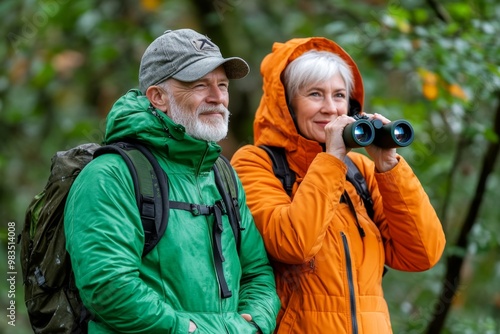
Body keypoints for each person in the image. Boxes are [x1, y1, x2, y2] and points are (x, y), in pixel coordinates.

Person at [64, 28, 280, 333]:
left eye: (222, 85)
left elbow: (257, 272)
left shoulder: (222, 173)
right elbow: (108, 288)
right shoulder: (110, 175)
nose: (218, 97)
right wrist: (192, 329)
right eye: (200, 85)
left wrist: (257, 324)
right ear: (158, 97)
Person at [230, 37, 446, 333]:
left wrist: (389, 167)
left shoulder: (361, 171)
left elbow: (422, 253)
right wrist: (331, 159)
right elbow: (293, 244)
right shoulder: (256, 163)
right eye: (315, 94)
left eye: (339, 95)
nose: (330, 108)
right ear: (287, 104)